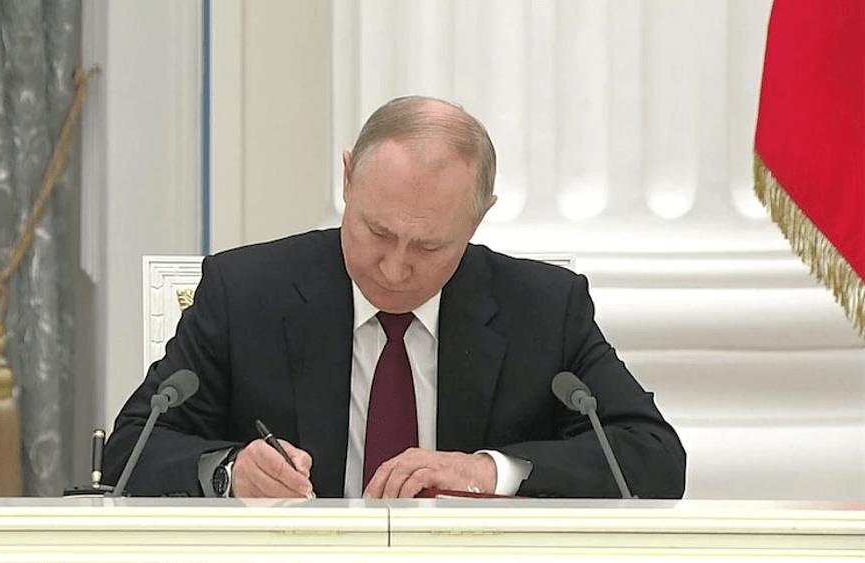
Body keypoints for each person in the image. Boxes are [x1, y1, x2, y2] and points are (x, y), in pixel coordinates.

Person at [103, 96, 686, 499]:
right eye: (376, 231)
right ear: (347, 179)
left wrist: (488, 472)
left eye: (430, 246)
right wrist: (232, 472)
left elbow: (653, 457)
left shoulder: (542, 307)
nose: (395, 267)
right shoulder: (246, 291)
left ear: (479, 218)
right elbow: (130, 450)